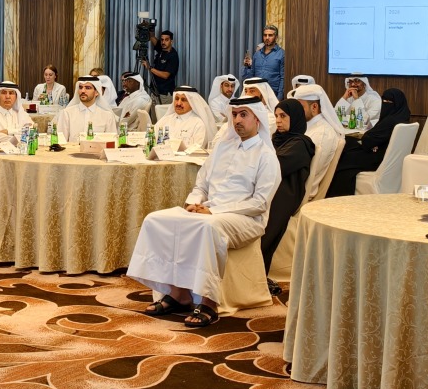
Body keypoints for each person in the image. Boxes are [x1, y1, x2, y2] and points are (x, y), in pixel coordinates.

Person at [128, 94, 281, 328]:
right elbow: (202, 184)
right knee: (156, 219)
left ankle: (210, 302)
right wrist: (193, 202)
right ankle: (179, 294)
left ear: (257, 120)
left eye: (243, 115)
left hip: (246, 219)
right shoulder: (222, 147)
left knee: (208, 226)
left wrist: (214, 211)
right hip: (209, 211)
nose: (237, 120)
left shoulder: (266, 156)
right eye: (234, 115)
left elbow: (259, 203)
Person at [261, 98, 314, 294]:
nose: (278, 121)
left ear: (296, 118)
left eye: (283, 116)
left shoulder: (300, 143)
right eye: (276, 116)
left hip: (284, 195)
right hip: (270, 189)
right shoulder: (275, 139)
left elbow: (277, 166)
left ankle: (256, 276)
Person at [326, 88, 411, 197]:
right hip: (385, 157)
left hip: (376, 159)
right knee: (349, 144)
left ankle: (336, 196)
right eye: (383, 100)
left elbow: (368, 141)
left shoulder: (390, 121)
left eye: (388, 102)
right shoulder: (403, 118)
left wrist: (366, 139)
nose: (385, 104)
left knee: (342, 158)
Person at [292, 84, 343, 202]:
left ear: (314, 107)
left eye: (299, 108)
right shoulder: (308, 127)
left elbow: (307, 172)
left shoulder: (321, 134)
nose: (295, 112)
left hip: (298, 193)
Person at [55, 76, 118, 144]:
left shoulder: (107, 116)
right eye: (80, 87)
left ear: (97, 92)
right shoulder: (67, 113)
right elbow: (60, 142)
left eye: (88, 88)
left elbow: (112, 143)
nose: (83, 91)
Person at [0, 81, 33, 148]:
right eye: (4, 93)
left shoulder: (22, 115)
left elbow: (31, 133)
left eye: (11, 93)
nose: (7, 96)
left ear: (16, 97)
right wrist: (19, 134)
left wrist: (7, 131)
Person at [241, 24, 286, 98]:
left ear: (276, 37)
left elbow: (283, 78)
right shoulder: (257, 54)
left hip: (272, 94)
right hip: (256, 94)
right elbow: (251, 76)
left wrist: (279, 98)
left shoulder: (281, 54)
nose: (267, 38)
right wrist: (247, 67)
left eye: (270, 35)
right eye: (265, 35)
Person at [141, 30, 179, 102]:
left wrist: (149, 67)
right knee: (154, 113)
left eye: (166, 40)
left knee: (163, 113)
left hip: (164, 94)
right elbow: (153, 38)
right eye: (162, 40)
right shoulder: (162, 49)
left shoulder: (173, 55)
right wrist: (149, 28)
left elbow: (165, 75)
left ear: (171, 41)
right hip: (155, 92)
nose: (163, 42)